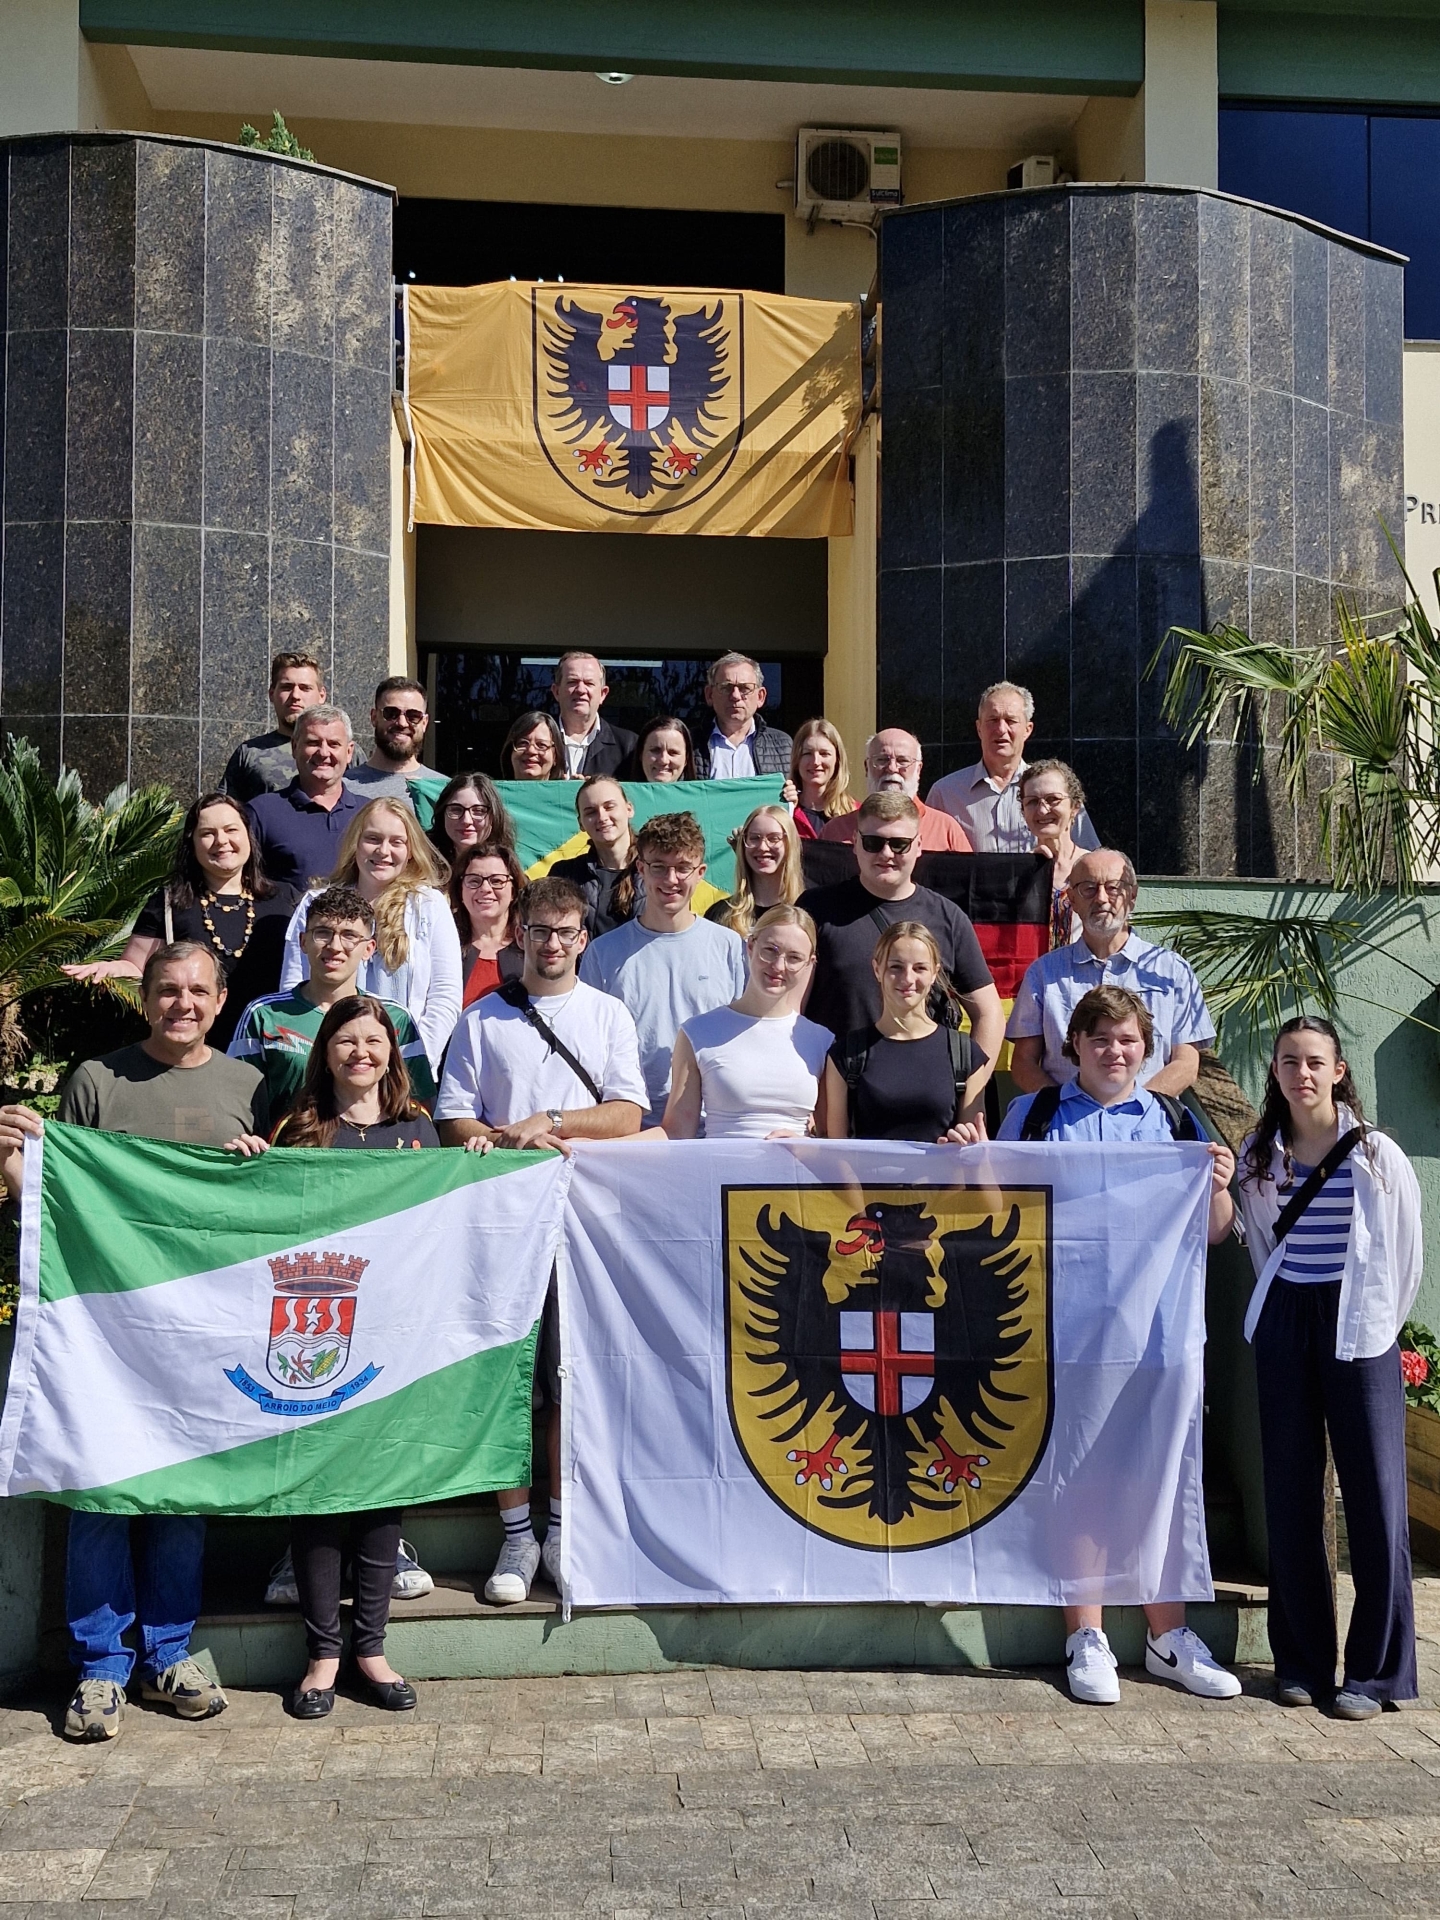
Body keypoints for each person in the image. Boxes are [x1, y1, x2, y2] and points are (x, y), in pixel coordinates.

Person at [0, 943, 269, 1743]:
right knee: (100, 1497)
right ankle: (98, 1669)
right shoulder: (96, 1079)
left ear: (222, 1001)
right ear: (144, 997)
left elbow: (274, 1208)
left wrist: (256, 1169)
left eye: (197, 992)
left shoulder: (250, 1085)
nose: (181, 1004)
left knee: (183, 1498)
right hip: (103, 1331)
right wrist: (13, 1154)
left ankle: (168, 1657)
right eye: (166, 991)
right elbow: (50, 1198)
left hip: (202, 1328)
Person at [995, 986, 1241, 1705]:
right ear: (1076, 1046)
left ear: (1149, 1048)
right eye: (1100, 1039)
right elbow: (993, 1215)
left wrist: (1219, 1185)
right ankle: (1088, 1635)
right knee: (1080, 1476)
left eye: (1128, 1040)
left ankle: (1168, 1636)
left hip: (1160, 1333)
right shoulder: (1033, 1115)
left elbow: (1217, 1230)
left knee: (1161, 1473)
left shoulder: (1172, 1119)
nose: (1115, 1051)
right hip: (1065, 1329)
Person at [435, 875, 647, 1603]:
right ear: (517, 936)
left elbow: (626, 1114)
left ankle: (559, 1531)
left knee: (566, 1383)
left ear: (583, 938)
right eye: (539, 931)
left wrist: (550, 1121)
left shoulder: (609, 1014)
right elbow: (452, 1116)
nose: (551, 944)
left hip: (584, 1228)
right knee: (506, 1386)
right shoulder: (482, 1018)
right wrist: (505, 1139)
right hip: (499, 1224)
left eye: (564, 932)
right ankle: (516, 1536)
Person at [267, 996, 448, 1719]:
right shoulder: (299, 1128)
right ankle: (322, 1657)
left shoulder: (419, 1131)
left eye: (374, 1040)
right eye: (346, 1040)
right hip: (316, 1334)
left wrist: (465, 1166)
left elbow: (443, 1225)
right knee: (318, 1492)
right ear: (327, 1051)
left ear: (391, 1053)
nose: (360, 1053)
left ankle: (371, 1647)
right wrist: (254, 1159)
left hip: (394, 1339)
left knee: (381, 1492)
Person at [1237, 1016, 1422, 1719]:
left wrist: (1375, 1326)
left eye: (1315, 1061)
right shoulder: (1262, 1154)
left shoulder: (1377, 1155)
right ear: (1277, 1073)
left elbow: (1404, 1256)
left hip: (1360, 1327)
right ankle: (1302, 1663)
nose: (1302, 1073)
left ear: (1338, 1070)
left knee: (1375, 1498)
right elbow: (1256, 1238)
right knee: (1288, 1492)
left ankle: (1375, 1674)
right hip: (1288, 1320)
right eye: (1289, 1061)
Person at [798, 791, 1004, 1114]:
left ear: (918, 846)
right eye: (873, 842)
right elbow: (791, 1011)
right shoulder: (814, 910)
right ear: (854, 842)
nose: (886, 853)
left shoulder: (948, 918)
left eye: (899, 844)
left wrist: (968, 1095)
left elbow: (989, 1013)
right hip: (834, 1105)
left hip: (925, 1110)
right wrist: (803, 1101)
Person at [62, 792, 301, 1052]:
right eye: (207, 833)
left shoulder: (286, 899)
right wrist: (111, 970)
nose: (222, 841)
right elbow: (136, 966)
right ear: (193, 843)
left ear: (248, 836)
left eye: (231, 830)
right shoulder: (169, 902)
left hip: (272, 1046)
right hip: (193, 1048)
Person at [581, 812, 749, 1125]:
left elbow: (750, 1040)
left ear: (700, 872)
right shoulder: (602, 953)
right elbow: (587, 1046)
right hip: (630, 1128)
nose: (671, 880)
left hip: (712, 1126)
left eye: (683, 868)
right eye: (659, 867)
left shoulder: (732, 949)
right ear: (641, 869)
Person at [1006, 849, 1214, 1097]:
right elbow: (1023, 1064)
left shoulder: (1172, 971)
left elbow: (1187, 1064)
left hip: (1148, 1124)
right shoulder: (1043, 973)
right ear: (1072, 899)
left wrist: (1138, 1110)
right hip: (1067, 1125)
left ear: (1132, 896)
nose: (1102, 898)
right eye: (1089, 888)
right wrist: (1065, 1107)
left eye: (1114, 887)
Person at [280, 800, 463, 1074]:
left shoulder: (429, 905)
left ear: (410, 851)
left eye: (396, 842)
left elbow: (444, 997)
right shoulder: (315, 903)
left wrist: (411, 1062)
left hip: (403, 1069)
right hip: (325, 1068)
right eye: (373, 839)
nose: (384, 851)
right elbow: (293, 986)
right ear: (356, 843)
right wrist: (316, 1059)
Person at [227, 884, 437, 1115]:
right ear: (303, 941)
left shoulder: (395, 1019)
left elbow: (419, 1109)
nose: (335, 947)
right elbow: (234, 1100)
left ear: (368, 949)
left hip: (369, 1150)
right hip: (285, 1149)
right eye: (323, 933)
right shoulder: (265, 1014)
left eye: (349, 936)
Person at [662, 906, 833, 1139]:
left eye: (794, 958)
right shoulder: (698, 1032)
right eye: (770, 950)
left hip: (795, 1175)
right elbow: (675, 1132)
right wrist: (599, 1148)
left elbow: (830, 1137)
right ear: (750, 946)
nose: (778, 966)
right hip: (723, 1174)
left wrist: (809, 1147)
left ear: (809, 965)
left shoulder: (822, 1041)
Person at [821, 921, 988, 1142]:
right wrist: (853, 1179)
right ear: (877, 969)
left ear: (934, 973)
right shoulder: (847, 1055)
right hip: (867, 1177)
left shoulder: (965, 1054)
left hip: (940, 1177)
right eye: (896, 967)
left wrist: (964, 1144)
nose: (907, 979)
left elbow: (973, 1148)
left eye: (920, 968)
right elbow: (838, 1151)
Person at [927, 680, 1101, 852]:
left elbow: (1089, 858)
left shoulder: (1056, 792)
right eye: (993, 720)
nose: (1001, 729)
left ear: (1028, 729)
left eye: (1010, 720)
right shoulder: (945, 793)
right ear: (979, 728)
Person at [249, 703, 369, 890]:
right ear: (295, 747)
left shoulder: (369, 814)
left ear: (349, 752)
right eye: (313, 742)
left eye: (334, 744)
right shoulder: (261, 813)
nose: (323, 753)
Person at [819, 729, 972, 852]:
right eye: (882, 760)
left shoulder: (945, 830)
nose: (892, 768)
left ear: (918, 770)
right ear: (866, 768)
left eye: (902, 761)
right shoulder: (834, 832)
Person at [219, 651, 327, 803]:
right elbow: (226, 812)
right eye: (287, 687)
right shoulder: (250, 753)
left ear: (322, 695)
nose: (295, 695)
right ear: (271, 694)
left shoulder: (342, 752)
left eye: (305, 688)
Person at [550, 776, 639, 936]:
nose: (602, 817)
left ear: (629, 809)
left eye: (609, 807)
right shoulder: (563, 874)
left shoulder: (658, 869)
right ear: (581, 823)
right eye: (591, 812)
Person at [706, 804, 803, 938]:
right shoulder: (720, 915)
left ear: (790, 843)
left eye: (774, 838)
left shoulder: (809, 912)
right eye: (754, 838)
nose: (763, 847)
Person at [1019, 759, 1088, 946]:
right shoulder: (1015, 874)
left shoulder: (1095, 869)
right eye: (1032, 802)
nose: (1042, 810)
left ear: (1075, 807)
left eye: (1053, 799)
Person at [450, 843, 526, 1007]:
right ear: (460, 890)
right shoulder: (444, 944)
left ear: (513, 890)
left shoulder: (532, 944)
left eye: (496, 881)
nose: (485, 888)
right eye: (474, 881)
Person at [694, 653, 792, 779]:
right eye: (726, 687)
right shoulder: (688, 744)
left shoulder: (783, 745)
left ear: (760, 697)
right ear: (709, 695)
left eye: (745, 688)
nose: (735, 696)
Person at [347, 676, 433, 802]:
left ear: (424, 723)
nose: (402, 723)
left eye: (413, 716)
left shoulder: (445, 793)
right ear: (374, 717)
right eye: (391, 713)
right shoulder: (342, 788)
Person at [551, 650, 636, 777]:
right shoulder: (536, 744)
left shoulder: (629, 745)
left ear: (603, 694)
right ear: (556, 692)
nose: (580, 690)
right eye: (572, 682)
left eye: (589, 683)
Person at [427, 772, 515, 871]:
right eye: (456, 809)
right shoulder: (421, 868)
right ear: (442, 814)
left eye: (478, 810)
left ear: (494, 817)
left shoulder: (510, 872)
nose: (466, 820)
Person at [790, 718, 858, 839]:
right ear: (797, 760)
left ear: (837, 760)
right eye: (807, 753)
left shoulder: (857, 814)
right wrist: (789, 810)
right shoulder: (785, 814)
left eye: (824, 754)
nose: (816, 762)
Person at [628, 714, 698, 783]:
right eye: (655, 750)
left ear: (686, 758)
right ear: (641, 754)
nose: (663, 760)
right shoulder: (621, 794)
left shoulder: (701, 794)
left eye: (673, 753)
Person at [501, 710, 566, 781]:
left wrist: (577, 790)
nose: (531, 750)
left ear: (555, 756)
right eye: (523, 743)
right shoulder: (493, 791)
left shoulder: (567, 792)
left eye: (541, 745)